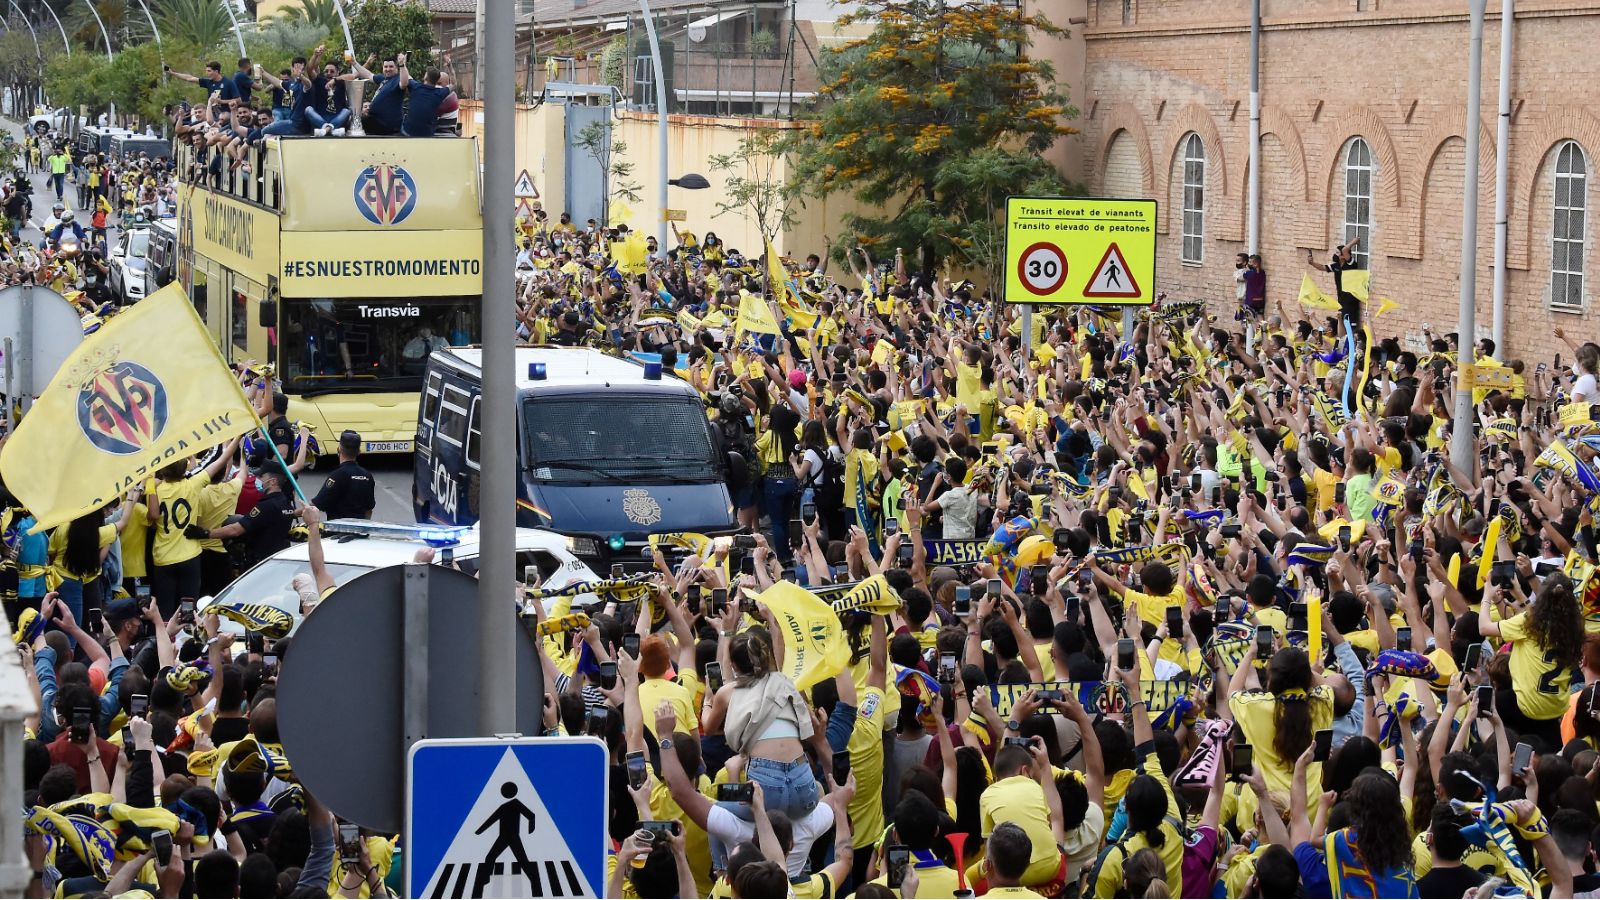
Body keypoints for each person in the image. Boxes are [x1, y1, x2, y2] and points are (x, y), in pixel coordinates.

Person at [1478, 572, 1585, 748]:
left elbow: (1484, 627)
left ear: (1541, 597)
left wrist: (1487, 597)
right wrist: (1519, 593)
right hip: (1554, 710)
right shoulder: (1575, 626)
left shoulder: (1530, 622)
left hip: (1524, 707)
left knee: (1499, 700)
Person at [312, 431, 376, 520]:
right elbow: (369, 509)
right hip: (360, 531)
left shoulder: (337, 475)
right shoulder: (367, 476)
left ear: (339, 450)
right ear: (359, 452)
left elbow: (317, 505)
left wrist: (291, 513)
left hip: (338, 531)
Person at [398, 53, 452, 137]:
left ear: (425, 77)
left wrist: (403, 64)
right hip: (427, 135)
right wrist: (450, 65)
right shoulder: (440, 93)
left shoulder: (416, 87)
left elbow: (406, 76)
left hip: (408, 132)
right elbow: (454, 83)